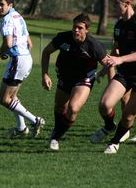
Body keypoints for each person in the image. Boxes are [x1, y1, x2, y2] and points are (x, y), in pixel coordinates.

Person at [41, 13, 108, 150]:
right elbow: (46, 52)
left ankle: (55, 137)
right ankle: (57, 131)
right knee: (60, 107)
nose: (75, 30)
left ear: (87, 29)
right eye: (74, 27)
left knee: (73, 108)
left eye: (79, 28)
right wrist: (45, 75)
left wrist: (103, 75)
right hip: (65, 78)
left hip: (84, 79)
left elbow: (109, 63)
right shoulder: (63, 38)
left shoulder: (94, 46)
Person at [90, 0, 136, 154]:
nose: (114, 8)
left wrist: (121, 59)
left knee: (128, 115)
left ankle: (114, 143)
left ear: (127, 4)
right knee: (104, 104)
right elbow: (116, 49)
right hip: (124, 74)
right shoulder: (118, 25)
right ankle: (109, 127)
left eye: (117, 5)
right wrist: (104, 69)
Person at [0, 0, 45, 138]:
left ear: (10, 5)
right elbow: (30, 43)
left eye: (2, 5)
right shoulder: (18, 16)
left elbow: (9, 43)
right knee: (13, 96)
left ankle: (34, 120)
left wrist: (1, 51)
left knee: (3, 99)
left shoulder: (7, 20)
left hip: (18, 61)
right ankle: (21, 128)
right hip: (24, 59)